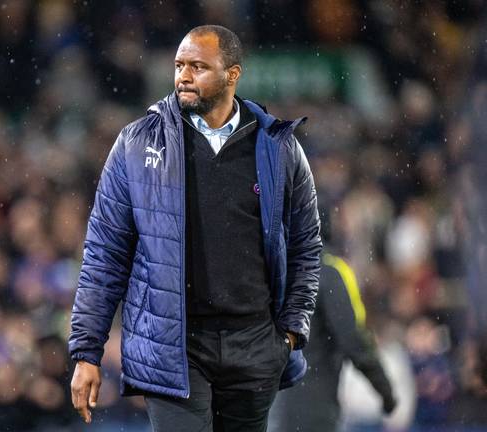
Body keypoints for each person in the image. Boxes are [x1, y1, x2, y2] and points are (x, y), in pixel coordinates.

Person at [69, 25, 321, 432]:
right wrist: (86, 351)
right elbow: (104, 254)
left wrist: (290, 332)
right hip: (175, 346)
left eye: (198, 67)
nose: (183, 76)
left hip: (256, 345)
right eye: (179, 65)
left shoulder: (278, 146)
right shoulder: (135, 145)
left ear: (232, 74)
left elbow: (307, 245)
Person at [269, 251, 396, 432]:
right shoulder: (326, 274)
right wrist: (386, 391)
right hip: (310, 408)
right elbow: (352, 340)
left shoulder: (269, 272)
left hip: (267, 406)